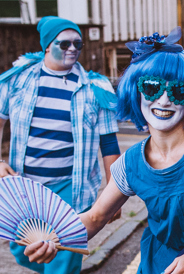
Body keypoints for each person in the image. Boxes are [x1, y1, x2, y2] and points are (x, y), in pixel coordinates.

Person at [23, 27, 184, 274]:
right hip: (158, 266)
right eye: (151, 87)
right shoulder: (131, 162)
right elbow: (96, 217)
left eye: (179, 90)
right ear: (135, 92)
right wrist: (54, 239)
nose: (164, 99)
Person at [0, 16, 121, 274]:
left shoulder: (96, 88)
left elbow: (109, 143)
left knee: (62, 261)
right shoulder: (17, 81)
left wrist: (115, 196)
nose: (72, 49)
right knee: (23, 253)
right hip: (24, 187)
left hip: (70, 188)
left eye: (78, 43)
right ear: (46, 45)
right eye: (64, 44)